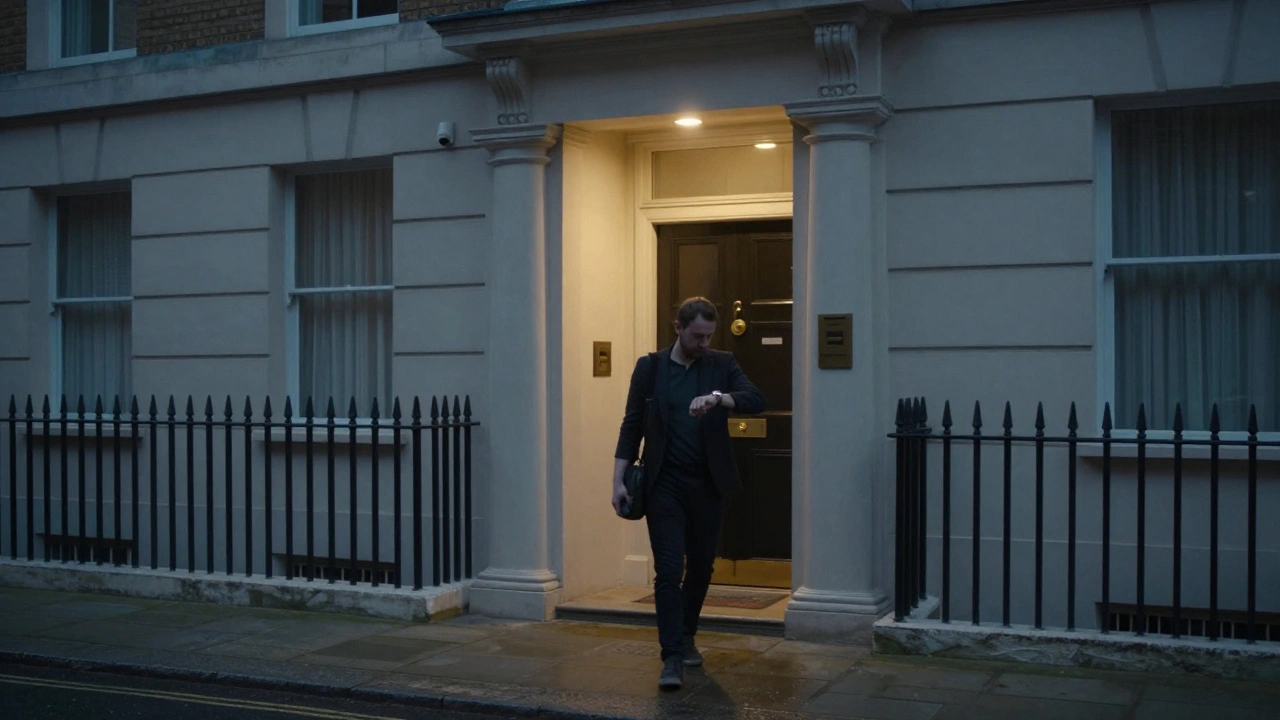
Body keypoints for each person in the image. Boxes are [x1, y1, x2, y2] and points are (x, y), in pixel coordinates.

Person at [611, 296, 766, 690]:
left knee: (701, 565)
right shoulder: (651, 368)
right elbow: (632, 425)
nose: (703, 342)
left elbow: (756, 399)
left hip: (708, 484)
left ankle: (688, 631)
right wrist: (617, 480)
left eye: (709, 335)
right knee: (667, 569)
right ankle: (672, 656)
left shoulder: (720, 363)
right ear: (678, 328)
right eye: (697, 335)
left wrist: (719, 399)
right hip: (665, 484)